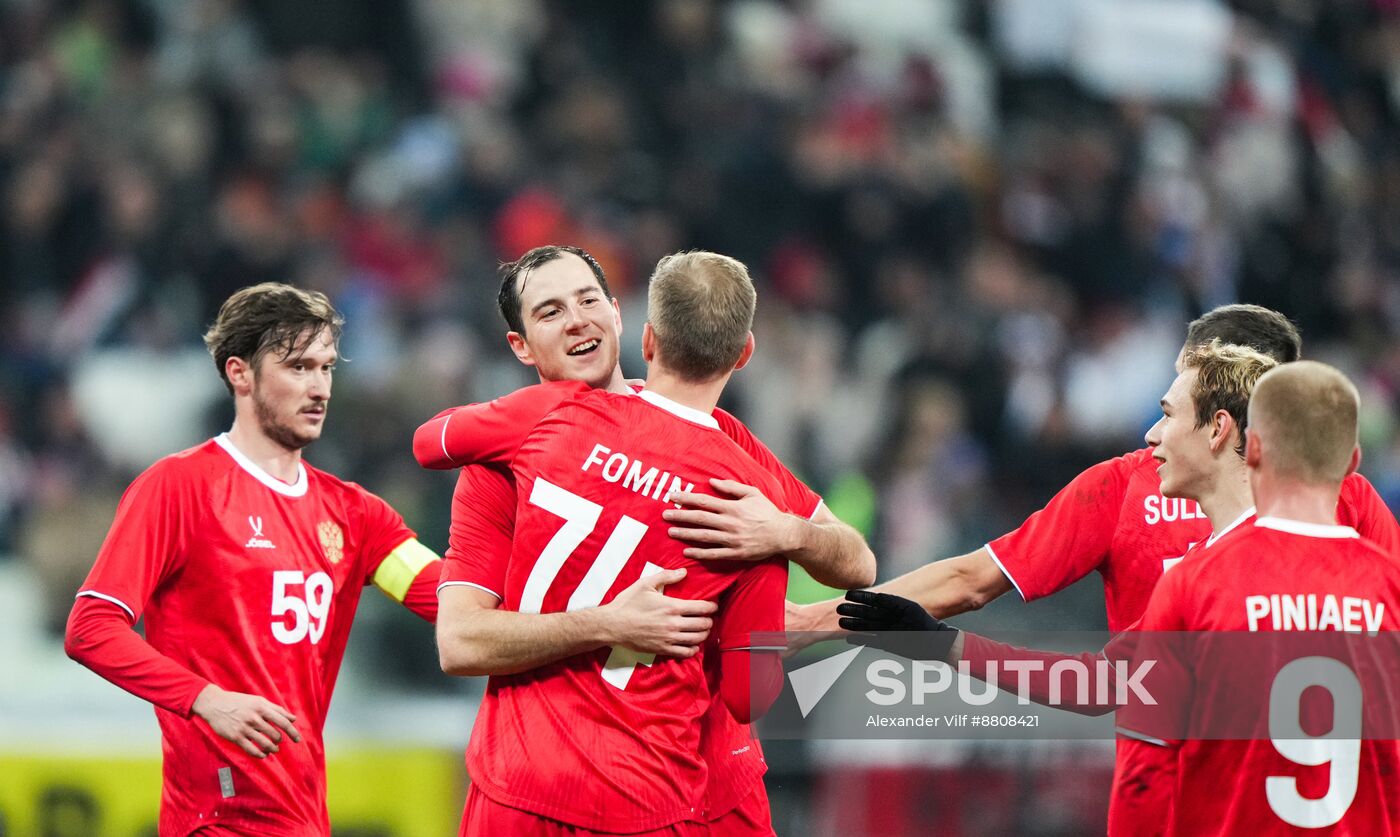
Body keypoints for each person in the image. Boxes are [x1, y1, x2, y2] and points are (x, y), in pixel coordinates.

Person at [418, 244, 874, 834]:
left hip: (704, 784)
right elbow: (460, 642)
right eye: (550, 312)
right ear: (520, 347)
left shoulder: (724, 445)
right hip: (589, 792)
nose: (576, 319)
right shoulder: (501, 465)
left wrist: (784, 532)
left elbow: (851, 555)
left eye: (586, 301)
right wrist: (606, 623)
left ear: (625, 321)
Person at [838, 341, 1281, 835]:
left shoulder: (1204, 579)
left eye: (1168, 416)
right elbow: (1102, 684)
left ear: (1218, 429)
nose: (1152, 434)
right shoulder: (1324, 559)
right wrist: (942, 644)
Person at [64, 283, 443, 837]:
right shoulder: (180, 487)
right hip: (216, 821)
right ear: (240, 373)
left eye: (326, 368)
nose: (319, 388)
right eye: (297, 367)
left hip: (303, 817)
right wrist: (205, 700)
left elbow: (448, 599)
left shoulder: (357, 515)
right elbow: (91, 628)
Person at [790, 304, 1400, 638]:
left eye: (1178, 399)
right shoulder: (1345, 504)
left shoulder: (1184, 571)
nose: (1155, 428)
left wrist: (813, 625)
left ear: (1221, 416)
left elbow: (1105, 687)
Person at [1117, 361, 1400, 834]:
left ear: (1254, 450)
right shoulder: (1390, 586)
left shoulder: (1193, 582)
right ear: (1352, 463)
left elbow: (1143, 773)